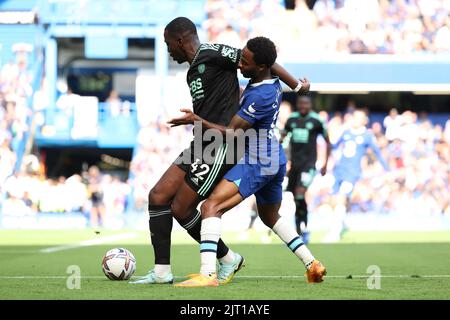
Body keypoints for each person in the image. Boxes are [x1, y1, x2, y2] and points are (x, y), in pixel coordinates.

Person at [132, 17, 310, 285]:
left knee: (183, 209)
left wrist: (296, 86)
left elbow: (264, 61)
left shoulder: (214, 53)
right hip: (201, 141)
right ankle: (164, 271)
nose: (168, 50)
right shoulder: (193, 69)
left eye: (169, 44)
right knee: (157, 196)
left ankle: (222, 262)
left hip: (222, 145)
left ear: (181, 41)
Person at [168, 36, 326, 287]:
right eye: (241, 58)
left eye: (245, 61)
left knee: (210, 207)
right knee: (270, 216)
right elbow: (274, 65)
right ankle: (312, 263)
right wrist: (297, 86)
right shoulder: (269, 81)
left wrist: (196, 120)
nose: (239, 64)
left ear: (261, 66)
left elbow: (231, 132)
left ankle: (208, 274)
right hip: (274, 157)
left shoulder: (259, 96)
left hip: (258, 160)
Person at [323, 109, 389, 242]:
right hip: (339, 170)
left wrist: (387, 170)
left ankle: (334, 233)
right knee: (334, 200)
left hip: (352, 173)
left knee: (341, 198)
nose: (356, 120)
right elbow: (334, 146)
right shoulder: (346, 132)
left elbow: (377, 152)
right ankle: (343, 225)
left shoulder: (367, 136)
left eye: (359, 118)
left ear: (365, 120)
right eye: (355, 117)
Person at [281, 96, 331, 243]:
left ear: (310, 105)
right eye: (301, 103)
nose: (303, 106)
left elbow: (328, 141)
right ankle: (299, 231)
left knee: (300, 193)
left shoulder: (316, 120)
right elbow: (284, 135)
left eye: (306, 103)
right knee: (296, 198)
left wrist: (325, 164)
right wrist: (279, 140)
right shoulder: (292, 119)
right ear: (297, 105)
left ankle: (304, 228)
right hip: (295, 166)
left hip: (308, 165)